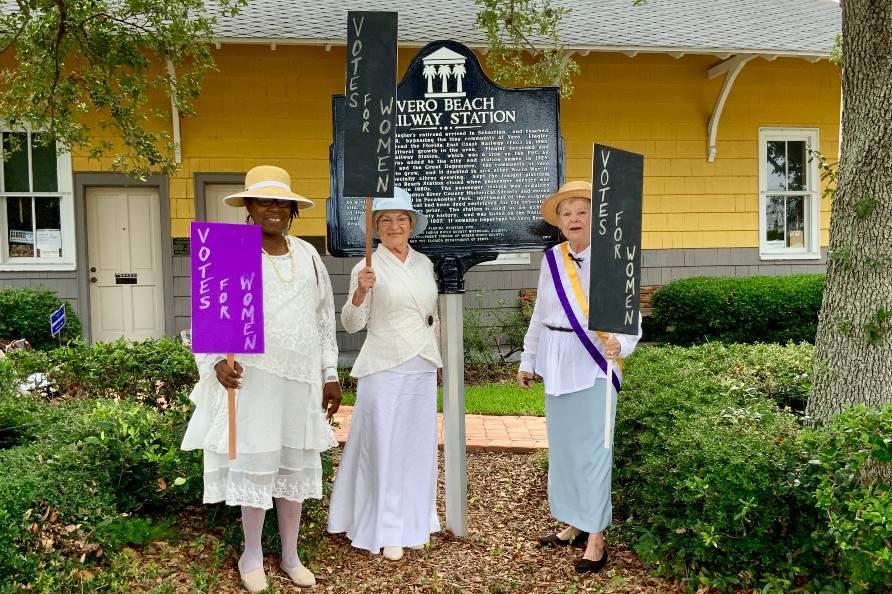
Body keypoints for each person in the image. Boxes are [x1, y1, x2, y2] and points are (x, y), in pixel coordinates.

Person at [181, 165, 341, 593]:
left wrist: (329, 372)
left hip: (300, 379)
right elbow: (210, 316)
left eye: (281, 202)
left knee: (292, 461)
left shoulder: (308, 256)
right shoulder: (232, 251)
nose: (273, 208)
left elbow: (323, 318)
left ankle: (290, 554)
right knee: (255, 461)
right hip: (254, 378)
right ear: (249, 207)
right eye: (264, 201)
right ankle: (251, 554)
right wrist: (215, 361)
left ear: (292, 210)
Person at [517, 180, 642, 574]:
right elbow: (539, 313)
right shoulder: (551, 259)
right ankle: (574, 522)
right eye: (566, 212)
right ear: (558, 222)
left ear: (596, 218)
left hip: (592, 364)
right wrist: (527, 359)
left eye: (582, 211)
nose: (573, 218)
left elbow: (629, 318)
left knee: (594, 453)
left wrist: (620, 345)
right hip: (556, 362)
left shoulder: (614, 259)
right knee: (566, 451)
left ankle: (597, 537)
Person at [327, 187, 442, 561]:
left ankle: (414, 520)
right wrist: (360, 293)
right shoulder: (367, 267)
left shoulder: (424, 264)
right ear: (376, 227)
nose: (395, 226)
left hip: (422, 364)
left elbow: (432, 316)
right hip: (384, 365)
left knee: (416, 445)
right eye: (386, 220)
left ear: (411, 225)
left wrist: (437, 359)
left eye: (401, 219)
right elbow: (351, 323)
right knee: (384, 444)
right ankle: (386, 527)